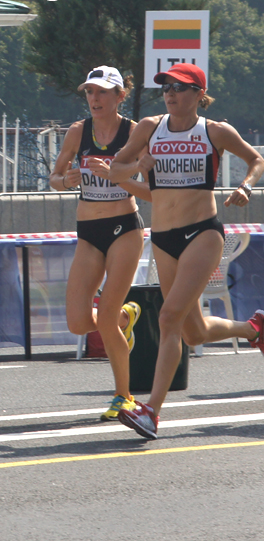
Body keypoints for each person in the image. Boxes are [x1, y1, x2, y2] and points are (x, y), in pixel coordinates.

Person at [108, 62, 264, 439]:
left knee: (168, 318)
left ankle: (151, 411)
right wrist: (136, 165)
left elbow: (257, 159)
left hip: (202, 234)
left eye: (180, 87)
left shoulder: (215, 131)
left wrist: (244, 186)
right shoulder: (149, 127)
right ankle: (254, 328)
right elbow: (115, 169)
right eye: (166, 87)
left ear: (199, 94)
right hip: (163, 238)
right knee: (192, 332)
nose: (171, 93)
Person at [49, 65, 150, 421]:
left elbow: (152, 188)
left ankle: (123, 396)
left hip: (124, 227)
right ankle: (127, 316)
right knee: (78, 322)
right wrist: (66, 180)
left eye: (103, 92)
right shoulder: (78, 132)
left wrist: (118, 176)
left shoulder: (136, 132)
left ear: (120, 96)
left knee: (104, 317)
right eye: (90, 92)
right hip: (89, 232)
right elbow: (54, 177)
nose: (95, 99)